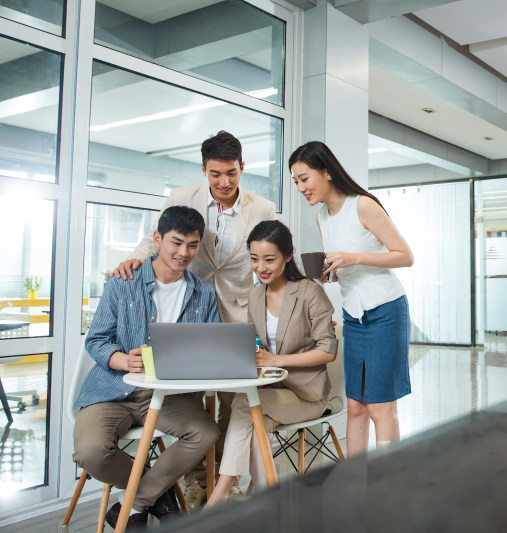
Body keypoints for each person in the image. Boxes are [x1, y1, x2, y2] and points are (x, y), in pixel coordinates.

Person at [112, 130, 277, 506]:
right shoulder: (181, 198)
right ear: (204, 170)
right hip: (188, 309)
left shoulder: (262, 208)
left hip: (236, 311)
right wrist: (133, 259)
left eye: (231, 173)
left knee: (232, 399)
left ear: (242, 168)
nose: (224, 182)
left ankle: (225, 478)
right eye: (215, 174)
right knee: (189, 401)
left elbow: (272, 254)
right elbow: (156, 238)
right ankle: (194, 479)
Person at [73, 206, 220, 531]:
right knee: (91, 451)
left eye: (193, 245)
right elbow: (96, 340)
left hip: (168, 395)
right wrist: (123, 360)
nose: (184, 253)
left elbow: (210, 348)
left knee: (206, 431)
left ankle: (136, 502)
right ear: (157, 239)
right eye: (176, 243)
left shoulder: (204, 293)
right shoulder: (123, 282)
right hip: (113, 390)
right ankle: (158, 493)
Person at [288, 141, 413, 456]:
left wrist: (353, 258)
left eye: (304, 178)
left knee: (380, 408)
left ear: (326, 172)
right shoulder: (322, 218)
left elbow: (405, 256)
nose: (301, 187)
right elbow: (345, 268)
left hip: (385, 311)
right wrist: (332, 272)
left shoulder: (363, 205)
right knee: (355, 406)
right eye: (295, 182)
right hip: (353, 317)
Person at [204, 220, 337, 508]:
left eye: (269, 259)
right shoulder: (254, 296)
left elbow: (328, 350)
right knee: (255, 423)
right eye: (254, 259)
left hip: (307, 395)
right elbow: (257, 346)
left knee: (244, 405)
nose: (260, 267)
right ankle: (267, 506)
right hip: (272, 391)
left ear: (288, 256)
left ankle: (220, 493)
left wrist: (276, 360)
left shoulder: (308, 292)